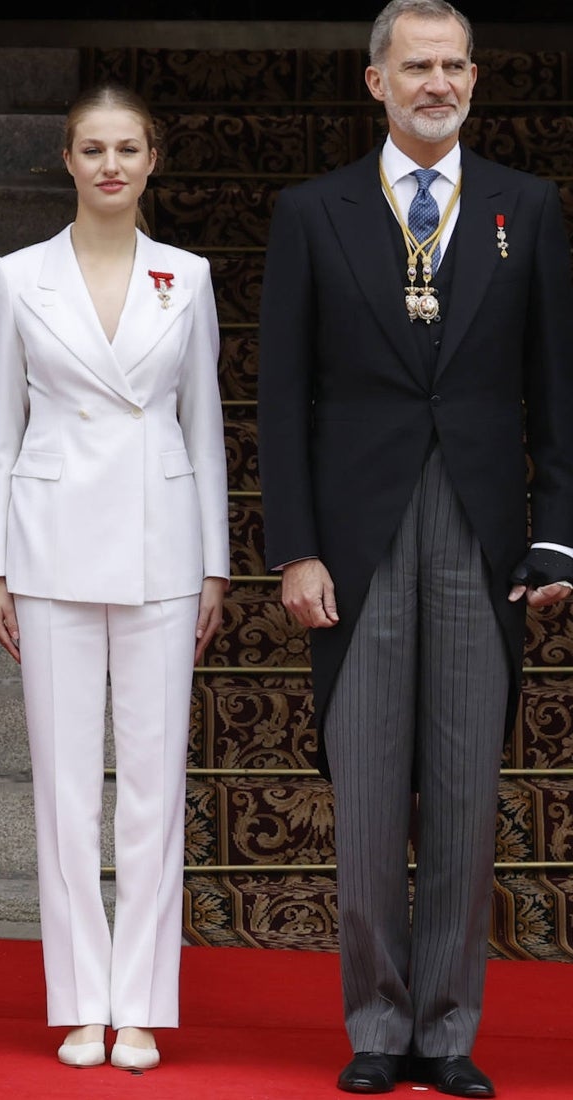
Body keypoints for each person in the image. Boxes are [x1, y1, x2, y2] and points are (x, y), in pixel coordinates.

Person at [257, 1, 573, 1095]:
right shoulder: (312, 212)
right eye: (417, 66)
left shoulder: (523, 209)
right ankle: (377, 1020)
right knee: (371, 785)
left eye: (454, 66)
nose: (438, 82)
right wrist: (293, 545)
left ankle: (448, 1029)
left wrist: (558, 539)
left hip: (483, 534)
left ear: (475, 78)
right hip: (357, 536)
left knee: (467, 792)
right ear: (375, 82)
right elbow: (280, 398)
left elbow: (558, 389)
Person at [0, 82, 229, 1071]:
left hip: (162, 543)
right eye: (93, 149)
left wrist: (214, 562)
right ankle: (82, 999)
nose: (111, 166)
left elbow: (202, 427)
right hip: (48, 547)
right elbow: (2, 427)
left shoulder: (191, 276)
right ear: (68, 160)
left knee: (153, 790)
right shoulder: (16, 275)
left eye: (128, 148)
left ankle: (141, 1004)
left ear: (152, 158)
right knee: (67, 789)